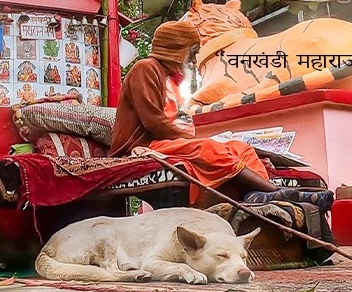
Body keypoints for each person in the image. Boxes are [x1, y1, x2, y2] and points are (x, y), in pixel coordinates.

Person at [110, 20, 333, 211]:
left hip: (169, 142)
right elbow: (154, 122)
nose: (193, 59)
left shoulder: (171, 79)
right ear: (176, 48)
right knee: (208, 149)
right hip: (148, 145)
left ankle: (257, 196)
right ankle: (278, 192)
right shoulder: (145, 68)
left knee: (240, 148)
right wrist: (196, 141)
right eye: (192, 52)